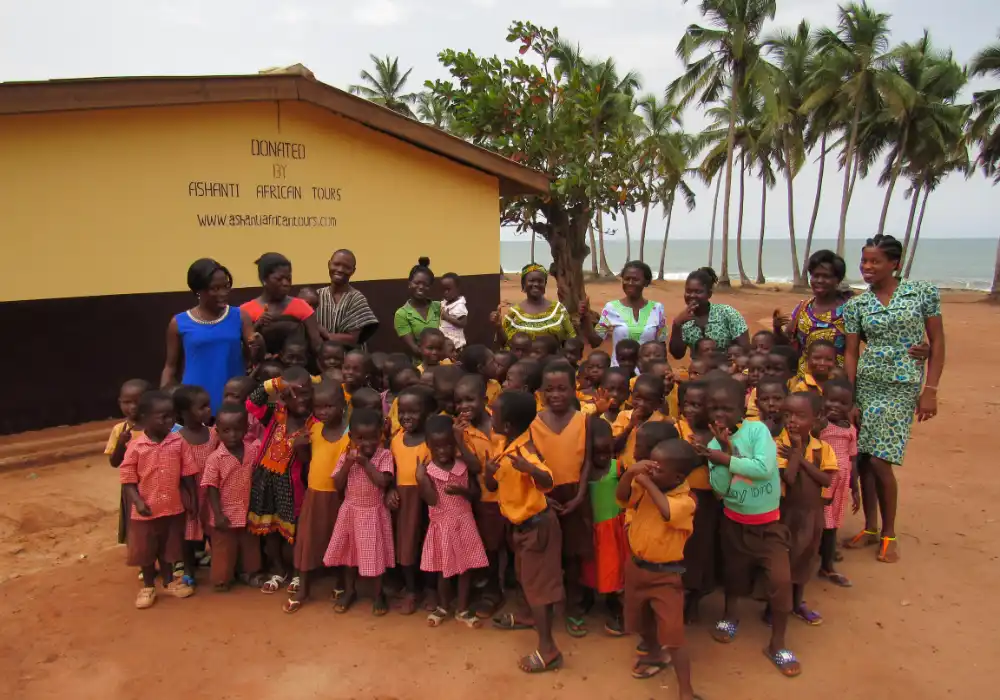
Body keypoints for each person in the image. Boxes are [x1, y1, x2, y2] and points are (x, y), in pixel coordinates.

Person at [843, 234, 945, 564]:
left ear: (894, 264)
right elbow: (851, 352)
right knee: (863, 459)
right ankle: (870, 528)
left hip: (902, 386)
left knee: (879, 459)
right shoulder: (857, 304)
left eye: (875, 261)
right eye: (864, 261)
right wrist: (850, 396)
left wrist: (930, 390)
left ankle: (889, 532)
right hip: (868, 385)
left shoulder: (921, 293)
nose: (867, 267)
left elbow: (938, 341)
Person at [696, 376, 798, 677]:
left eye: (726, 408)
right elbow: (721, 490)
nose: (719, 415)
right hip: (734, 523)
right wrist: (723, 453)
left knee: (780, 582)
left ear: (742, 407)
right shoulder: (711, 445)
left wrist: (727, 456)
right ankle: (730, 615)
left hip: (768, 526)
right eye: (713, 408)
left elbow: (765, 470)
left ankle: (777, 643)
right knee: (734, 574)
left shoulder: (757, 432)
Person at [486, 391, 563, 674]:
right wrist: (488, 472)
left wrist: (530, 469)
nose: (489, 415)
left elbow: (548, 479)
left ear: (506, 425)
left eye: (493, 413)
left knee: (538, 587)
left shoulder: (524, 451)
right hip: (521, 526)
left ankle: (548, 649)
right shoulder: (504, 443)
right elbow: (495, 484)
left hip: (536, 528)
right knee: (524, 577)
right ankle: (527, 615)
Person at [617, 439, 699, 699]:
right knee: (638, 618)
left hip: (665, 576)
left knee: (673, 634)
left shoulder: (686, 500)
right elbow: (621, 498)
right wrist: (631, 473)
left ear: (677, 476)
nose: (650, 471)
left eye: (658, 469)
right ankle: (653, 653)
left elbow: (667, 512)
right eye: (650, 466)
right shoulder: (648, 488)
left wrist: (646, 482)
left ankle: (686, 690)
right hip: (636, 568)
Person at [530, 362, 593, 637]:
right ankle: (547, 606)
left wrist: (580, 494)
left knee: (574, 555)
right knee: (547, 555)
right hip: (545, 497)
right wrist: (543, 498)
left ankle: (574, 607)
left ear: (573, 389)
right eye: (549, 389)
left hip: (575, 494)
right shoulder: (533, 424)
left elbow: (588, 460)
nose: (555, 394)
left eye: (562, 389)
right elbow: (531, 464)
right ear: (540, 392)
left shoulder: (584, 420)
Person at [119, 390, 198, 609]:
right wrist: (138, 502)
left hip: (172, 507)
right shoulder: (136, 446)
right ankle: (148, 586)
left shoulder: (178, 443)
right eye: (162, 417)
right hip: (145, 511)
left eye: (171, 416)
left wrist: (191, 499)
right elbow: (127, 478)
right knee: (146, 550)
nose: (169, 421)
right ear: (145, 418)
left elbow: (188, 472)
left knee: (168, 547)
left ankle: (169, 581)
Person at [246, 367, 317, 593]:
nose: (301, 399)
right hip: (264, 482)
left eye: (306, 393)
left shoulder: (314, 424)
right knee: (270, 532)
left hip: (292, 487)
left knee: (295, 533)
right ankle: (278, 570)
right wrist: (276, 383)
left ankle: (297, 573)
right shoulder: (275, 415)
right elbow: (251, 403)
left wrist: (302, 449)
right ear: (283, 397)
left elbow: (310, 462)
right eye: (292, 394)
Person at [161, 258, 261, 414]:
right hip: (195, 405)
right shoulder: (179, 322)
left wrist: (257, 345)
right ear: (198, 291)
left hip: (234, 400)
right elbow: (170, 366)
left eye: (226, 287)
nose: (223, 293)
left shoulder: (240, 316)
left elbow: (253, 355)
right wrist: (163, 402)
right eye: (215, 288)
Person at [417, 414, 489, 628]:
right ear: (428, 445)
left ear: (455, 443)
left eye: (448, 446)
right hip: (442, 527)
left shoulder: (462, 466)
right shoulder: (428, 471)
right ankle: (443, 606)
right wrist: (420, 480)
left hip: (464, 524)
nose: (442, 451)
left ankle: (463, 609)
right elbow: (431, 500)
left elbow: (475, 495)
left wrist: (462, 491)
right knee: (444, 572)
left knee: (466, 570)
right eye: (437, 447)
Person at [284, 381, 350, 613]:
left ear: (342, 405)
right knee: (308, 541)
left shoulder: (350, 435)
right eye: (318, 407)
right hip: (315, 494)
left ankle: (342, 583)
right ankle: (303, 588)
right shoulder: (314, 430)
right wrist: (299, 446)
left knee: (340, 540)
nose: (323, 412)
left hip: (341, 497)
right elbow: (305, 459)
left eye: (329, 406)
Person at [323, 408, 396, 615]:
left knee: (376, 555)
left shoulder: (384, 456)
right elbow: (337, 484)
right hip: (350, 512)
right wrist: (348, 463)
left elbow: (383, 481)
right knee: (349, 556)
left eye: (373, 437)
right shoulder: (347, 457)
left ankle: (378, 594)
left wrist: (365, 463)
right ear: (351, 437)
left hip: (374, 513)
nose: (367, 443)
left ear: (380, 435)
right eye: (361, 438)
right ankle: (349, 590)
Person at [776, 392, 837, 626]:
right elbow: (789, 479)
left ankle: (797, 602)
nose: (792, 420)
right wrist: (796, 452)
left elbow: (826, 480)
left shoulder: (823, 449)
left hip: (812, 516)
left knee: (804, 559)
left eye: (800, 416)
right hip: (785, 513)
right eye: (787, 414)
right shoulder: (778, 445)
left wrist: (799, 457)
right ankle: (777, 606)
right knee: (782, 564)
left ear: (816, 418)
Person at [454, 374, 504, 618]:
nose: (464, 406)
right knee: (491, 549)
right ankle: (492, 592)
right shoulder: (463, 431)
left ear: (484, 399)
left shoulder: (501, 422)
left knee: (514, 548)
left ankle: (519, 591)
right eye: (459, 401)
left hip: (513, 496)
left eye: (470, 399)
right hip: (486, 499)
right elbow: (474, 467)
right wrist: (458, 441)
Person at [202, 403, 262, 592]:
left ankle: (249, 573)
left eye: (238, 429)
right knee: (223, 548)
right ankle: (222, 578)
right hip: (225, 513)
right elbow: (211, 487)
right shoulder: (215, 458)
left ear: (246, 428)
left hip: (248, 509)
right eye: (226, 431)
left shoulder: (252, 451)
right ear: (218, 431)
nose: (233, 435)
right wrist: (218, 514)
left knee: (249, 544)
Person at [389, 385, 435, 614]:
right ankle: (411, 589)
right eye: (402, 411)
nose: (406, 416)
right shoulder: (396, 438)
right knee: (405, 546)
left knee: (429, 545)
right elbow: (390, 470)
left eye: (413, 411)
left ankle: (432, 589)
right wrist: (389, 490)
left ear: (427, 413)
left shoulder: (432, 441)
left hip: (427, 501)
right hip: (404, 502)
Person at [676, 379, 718, 623]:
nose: (690, 409)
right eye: (687, 404)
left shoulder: (716, 432)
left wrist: (708, 453)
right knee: (681, 549)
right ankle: (679, 596)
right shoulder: (677, 428)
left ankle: (694, 598)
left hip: (707, 500)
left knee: (700, 550)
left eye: (698, 405)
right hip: (681, 498)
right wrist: (700, 456)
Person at [581, 418, 628, 635]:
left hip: (611, 528)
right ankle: (587, 597)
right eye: (596, 452)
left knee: (612, 566)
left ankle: (611, 599)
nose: (603, 457)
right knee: (589, 567)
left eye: (607, 451)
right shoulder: (583, 472)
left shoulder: (617, 467)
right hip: (590, 527)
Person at [774, 250, 852, 377]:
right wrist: (777, 329)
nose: (819, 280)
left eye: (826, 276)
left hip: (836, 383)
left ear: (837, 280)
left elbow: (852, 352)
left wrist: (848, 384)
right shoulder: (803, 307)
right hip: (804, 381)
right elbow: (786, 342)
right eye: (815, 276)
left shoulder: (849, 311)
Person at [578, 261, 668, 366]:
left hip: (647, 375)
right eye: (626, 279)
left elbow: (661, 344)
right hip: (619, 374)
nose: (630, 283)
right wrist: (585, 317)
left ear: (646, 282)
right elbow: (595, 342)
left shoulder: (657, 309)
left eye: (635, 279)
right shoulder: (611, 308)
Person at [173, 385, 219, 585]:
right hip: (188, 495)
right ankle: (188, 569)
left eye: (208, 405)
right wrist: (187, 497)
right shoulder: (176, 440)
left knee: (213, 531)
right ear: (184, 413)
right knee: (188, 535)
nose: (208, 410)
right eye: (202, 407)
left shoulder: (214, 434)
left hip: (211, 493)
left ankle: (219, 566)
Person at [817, 378, 859, 587]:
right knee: (818, 523)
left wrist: (855, 489)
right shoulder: (820, 425)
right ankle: (815, 560)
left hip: (840, 485)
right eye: (830, 400)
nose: (835, 406)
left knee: (832, 525)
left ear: (850, 407)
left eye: (842, 403)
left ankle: (827, 565)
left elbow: (852, 460)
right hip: (821, 482)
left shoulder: (850, 430)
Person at [241, 253, 323, 356]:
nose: (285, 283)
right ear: (264, 280)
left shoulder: (302, 307)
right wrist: (258, 324)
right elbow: (243, 346)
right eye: (279, 279)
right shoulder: (246, 311)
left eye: (288, 279)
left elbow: (316, 345)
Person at [669, 267, 749, 361]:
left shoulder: (727, 313)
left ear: (709, 294)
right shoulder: (683, 320)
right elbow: (677, 355)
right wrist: (676, 325)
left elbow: (745, 348)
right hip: (699, 372)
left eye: (698, 292)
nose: (692, 295)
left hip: (727, 370)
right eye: (688, 291)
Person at [107, 378, 151, 545]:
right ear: (119, 403)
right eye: (127, 402)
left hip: (158, 482)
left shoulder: (156, 426)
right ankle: (143, 561)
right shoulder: (120, 430)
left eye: (138, 402)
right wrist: (121, 443)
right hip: (132, 486)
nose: (132, 407)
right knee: (136, 525)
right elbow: (114, 462)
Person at [493, 263, 576, 348]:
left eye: (540, 281)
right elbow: (504, 343)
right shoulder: (514, 313)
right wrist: (499, 327)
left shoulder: (559, 309)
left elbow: (572, 339)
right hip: (523, 361)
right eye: (531, 281)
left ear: (545, 283)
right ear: (524, 284)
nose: (536, 284)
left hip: (554, 360)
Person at [316, 249, 379, 349]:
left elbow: (352, 339)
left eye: (346, 267)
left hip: (350, 359)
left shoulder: (357, 298)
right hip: (322, 359)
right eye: (336, 264)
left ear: (353, 271)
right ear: (329, 264)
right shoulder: (317, 295)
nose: (340, 269)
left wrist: (324, 335)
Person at [612, 374, 672, 470]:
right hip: (622, 471)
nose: (641, 404)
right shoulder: (623, 416)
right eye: (637, 398)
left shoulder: (663, 422)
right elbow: (613, 447)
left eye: (648, 401)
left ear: (659, 403)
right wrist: (630, 426)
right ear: (631, 395)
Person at [395, 257, 441, 358]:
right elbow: (415, 349)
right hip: (420, 366)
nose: (421, 287)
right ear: (409, 284)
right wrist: (438, 356)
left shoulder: (440, 307)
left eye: (426, 284)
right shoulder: (402, 314)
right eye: (417, 283)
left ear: (431, 287)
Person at [439, 272, 468, 352]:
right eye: (443, 290)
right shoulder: (444, 303)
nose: (445, 292)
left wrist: (447, 317)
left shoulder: (459, 305)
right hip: (445, 341)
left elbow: (463, 323)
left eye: (448, 289)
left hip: (456, 344)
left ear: (458, 289)